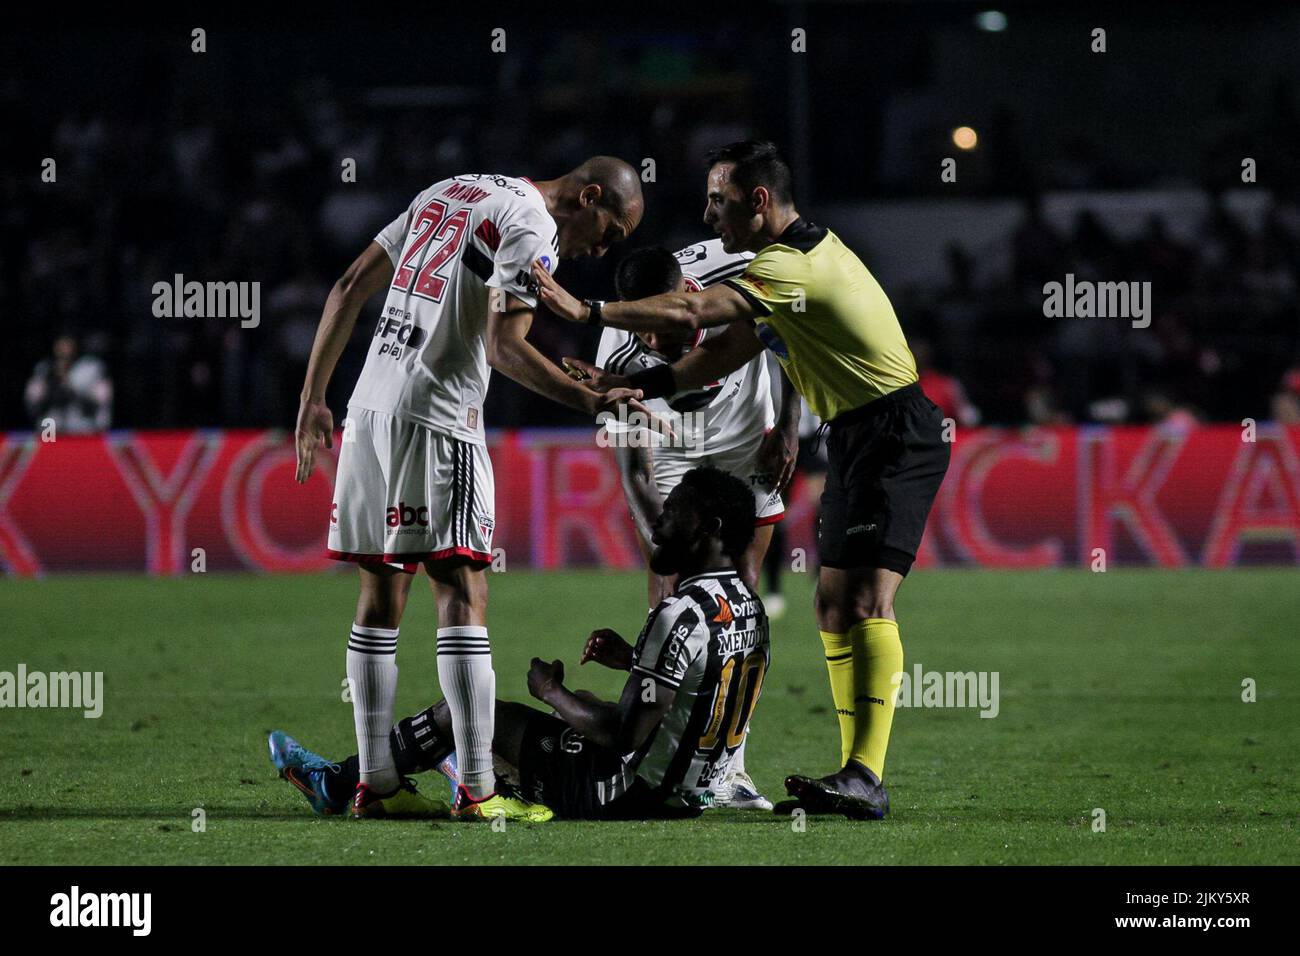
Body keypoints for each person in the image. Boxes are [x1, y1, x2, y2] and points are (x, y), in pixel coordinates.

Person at [534, 141, 950, 819]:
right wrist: (625, 382)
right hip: (853, 434)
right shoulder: (780, 266)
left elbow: (696, 319)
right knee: (833, 605)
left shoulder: (790, 264)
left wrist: (587, 314)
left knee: (867, 601)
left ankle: (863, 773)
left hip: (892, 430)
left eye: (719, 200)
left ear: (759, 201)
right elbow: (718, 356)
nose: (708, 213)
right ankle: (852, 772)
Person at [293, 159, 648, 822]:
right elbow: (503, 346)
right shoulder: (533, 224)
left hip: (369, 411)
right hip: (437, 419)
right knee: (461, 592)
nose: (604, 249)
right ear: (589, 196)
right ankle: (479, 790)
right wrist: (589, 400)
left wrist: (314, 395)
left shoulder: (451, 190)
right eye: (609, 232)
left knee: (379, 599)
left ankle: (375, 783)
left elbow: (348, 285)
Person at [269, 467, 770, 821]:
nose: (659, 519)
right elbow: (703, 694)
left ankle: (341, 781)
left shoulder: (679, 613)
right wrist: (636, 662)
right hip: (692, 793)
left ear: (708, 528)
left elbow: (622, 737)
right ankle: (468, 771)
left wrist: (549, 690)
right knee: (588, 704)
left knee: (471, 710)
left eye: (675, 508)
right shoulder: (750, 606)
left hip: (625, 794)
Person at [593, 242, 800, 810]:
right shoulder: (617, 347)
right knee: (668, 596)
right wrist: (661, 537)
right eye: (647, 333)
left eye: (663, 327)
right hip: (668, 450)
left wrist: (788, 424)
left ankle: (729, 766)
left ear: (687, 295)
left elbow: (786, 337)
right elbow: (632, 467)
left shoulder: (739, 280)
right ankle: (652, 750)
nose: (655, 344)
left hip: (744, 441)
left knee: (742, 600)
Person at [24, 333, 113, 434]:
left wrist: (70, 387)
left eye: (68, 344)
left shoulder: (92, 367)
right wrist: (53, 385)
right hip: (51, 427)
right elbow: (32, 402)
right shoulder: (44, 369)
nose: (65, 349)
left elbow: (102, 401)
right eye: (61, 344)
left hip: (83, 426)